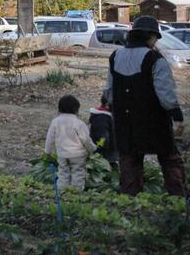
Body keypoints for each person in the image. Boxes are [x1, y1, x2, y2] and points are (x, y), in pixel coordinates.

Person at [103, 15, 185, 196]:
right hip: (154, 120)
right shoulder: (155, 59)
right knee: (170, 159)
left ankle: (130, 202)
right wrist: (177, 116)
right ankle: (179, 199)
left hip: (124, 120)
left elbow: (108, 90)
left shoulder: (115, 56)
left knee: (129, 162)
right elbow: (165, 93)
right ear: (150, 36)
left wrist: (108, 106)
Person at [44, 95, 97, 190]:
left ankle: (62, 190)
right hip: (78, 155)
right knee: (78, 173)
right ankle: (76, 191)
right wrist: (92, 148)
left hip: (62, 154)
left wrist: (47, 151)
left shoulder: (55, 122)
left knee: (63, 172)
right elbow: (86, 139)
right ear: (76, 110)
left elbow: (50, 138)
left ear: (59, 108)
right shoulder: (79, 123)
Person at [88, 95, 118, 169]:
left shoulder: (105, 116)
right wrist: (100, 147)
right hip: (104, 154)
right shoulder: (102, 119)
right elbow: (103, 138)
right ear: (107, 104)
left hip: (106, 152)